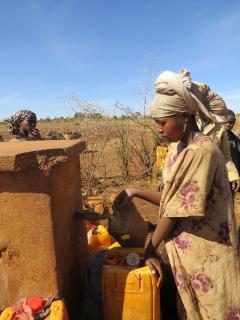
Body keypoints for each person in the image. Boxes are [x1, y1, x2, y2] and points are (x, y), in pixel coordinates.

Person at [115, 70, 240, 319]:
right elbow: (172, 198)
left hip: (207, 251)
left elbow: (174, 210)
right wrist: (136, 192)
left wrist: (149, 250)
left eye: (162, 122)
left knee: (213, 308)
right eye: (156, 123)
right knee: (190, 309)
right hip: (185, 252)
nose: (159, 130)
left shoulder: (202, 151)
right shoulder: (177, 149)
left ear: (184, 115)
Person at [224, 109, 240, 176]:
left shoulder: (235, 138)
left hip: (234, 173)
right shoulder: (215, 138)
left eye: (231, 122)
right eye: (225, 122)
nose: (228, 125)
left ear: (234, 122)